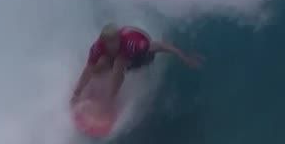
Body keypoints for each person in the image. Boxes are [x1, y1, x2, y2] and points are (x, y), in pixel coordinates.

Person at [70, 23, 203, 104]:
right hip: (125, 46)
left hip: (141, 58)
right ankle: (91, 89)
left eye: (113, 42)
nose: (110, 46)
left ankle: (110, 100)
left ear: (118, 39)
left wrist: (185, 57)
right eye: (107, 43)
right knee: (99, 66)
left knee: (119, 62)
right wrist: (77, 92)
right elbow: (88, 69)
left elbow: (162, 46)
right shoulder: (98, 47)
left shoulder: (134, 45)